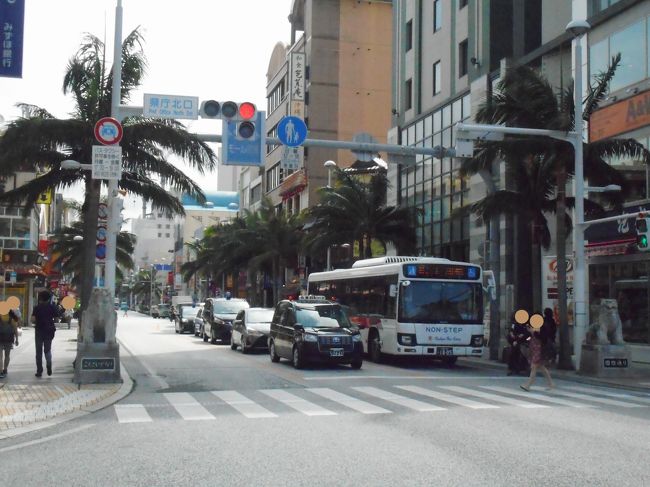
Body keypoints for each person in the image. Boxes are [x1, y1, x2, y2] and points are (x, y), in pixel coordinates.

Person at [520, 311, 555, 391]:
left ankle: (528, 385)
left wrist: (533, 332)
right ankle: (551, 383)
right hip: (534, 349)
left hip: (539, 349)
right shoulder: (535, 326)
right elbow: (530, 336)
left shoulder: (543, 327)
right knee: (541, 367)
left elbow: (543, 338)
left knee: (534, 366)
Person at [31, 290, 59, 378]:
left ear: (41, 298)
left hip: (39, 330)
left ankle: (39, 371)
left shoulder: (37, 307)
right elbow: (57, 318)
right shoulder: (52, 307)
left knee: (38, 351)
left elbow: (32, 319)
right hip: (49, 330)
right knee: (47, 350)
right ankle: (49, 364)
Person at [0, 311, 19, 378]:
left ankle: (1, 372)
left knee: (0, 356)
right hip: (9, 339)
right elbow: (15, 330)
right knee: (7, 355)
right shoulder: (12, 319)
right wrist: (16, 339)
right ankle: (5, 370)